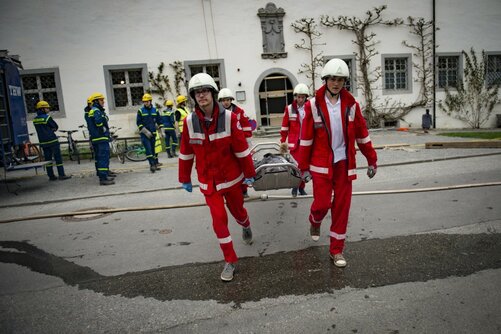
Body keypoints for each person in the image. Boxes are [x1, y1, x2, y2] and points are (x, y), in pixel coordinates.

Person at [298, 58, 378, 268]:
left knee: (342, 208)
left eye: (340, 80)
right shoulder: (313, 105)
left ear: (345, 82)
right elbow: (305, 139)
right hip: (320, 165)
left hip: (344, 163)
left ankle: (336, 250)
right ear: (326, 80)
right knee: (322, 205)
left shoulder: (352, 105)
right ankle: (314, 222)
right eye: (332, 79)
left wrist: (372, 159)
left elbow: (362, 135)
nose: (336, 83)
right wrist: (303, 168)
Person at [178, 73, 256, 282]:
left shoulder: (230, 118)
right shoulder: (189, 121)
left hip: (231, 178)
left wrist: (249, 174)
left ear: (212, 93)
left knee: (238, 211)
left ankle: (245, 224)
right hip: (208, 181)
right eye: (197, 92)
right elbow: (186, 152)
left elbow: (241, 149)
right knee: (218, 220)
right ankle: (230, 260)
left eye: (205, 91)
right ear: (193, 96)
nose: (201, 95)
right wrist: (184, 177)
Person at [218, 88, 253, 197]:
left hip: (238, 144)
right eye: (223, 100)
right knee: (229, 169)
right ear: (220, 101)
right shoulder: (217, 113)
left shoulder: (239, 112)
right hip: (225, 146)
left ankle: (244, 190)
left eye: (228, 99)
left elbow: (246, 128)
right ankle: (231, 190)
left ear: (231, 100)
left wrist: (248, 145)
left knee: (242, 167)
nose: (226, 102)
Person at [280, 83, 309, 197]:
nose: (300, 99)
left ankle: (301, 188)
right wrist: (283, 141)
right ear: (295, 96)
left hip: (306, 142)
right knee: (295, 167)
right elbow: (284, 126)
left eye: (303, 97)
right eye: (298, 97)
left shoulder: (310, 107)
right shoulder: (289, 108)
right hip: (295, 144)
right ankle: (294, 187)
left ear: (306, 97)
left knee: (304, 166)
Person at [32, 101, 71, 181]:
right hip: (52, 140)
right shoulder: (47, 117)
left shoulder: (35, 120)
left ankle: (51, 176)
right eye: (47, 108)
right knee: (58, 158)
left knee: (48, 160)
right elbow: (55, 127)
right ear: (42, 109)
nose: (48, 109)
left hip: (43, 142)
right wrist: (51, 130)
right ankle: (61, 175)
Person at [88, 93, 115, 185]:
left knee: (101, 157)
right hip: (101, 138)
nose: (103, 102)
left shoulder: (95, 110)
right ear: (96, 101)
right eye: (101, 100)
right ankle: (103, 178)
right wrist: (102, 129)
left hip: (97, 138)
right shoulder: (96, 111)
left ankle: (103, 176)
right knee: (103, 157)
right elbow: (99, 122)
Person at [137, 93, 164, 173]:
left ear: (150, 101)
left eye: (147, 101)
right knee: (148, 150)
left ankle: (155, 164)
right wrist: (145, 131)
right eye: (144, 102)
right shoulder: (141, 111)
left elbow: (160, 121)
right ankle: (152, 165)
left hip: (153, 133)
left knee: (153, 150)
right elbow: (139, 123)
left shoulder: (155, 110)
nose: (145, 103)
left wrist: (162, 131)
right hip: (145, 134)